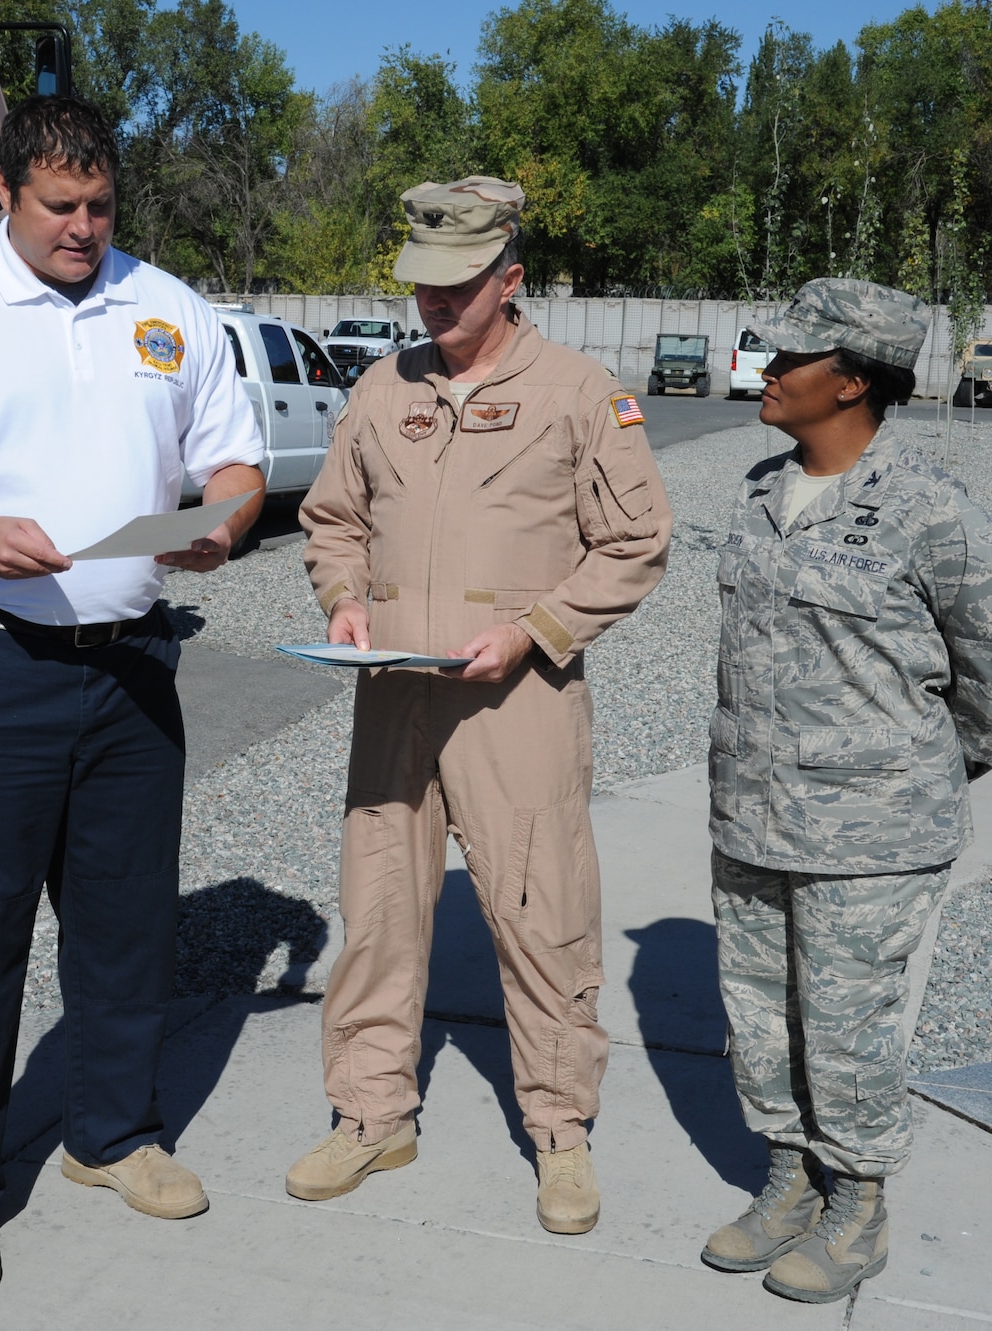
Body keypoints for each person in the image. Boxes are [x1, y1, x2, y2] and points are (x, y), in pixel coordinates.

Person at [0, 96, 266, 1297]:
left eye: (99, 206)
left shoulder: (165, 307)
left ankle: (110, 1134)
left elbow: (233, 461)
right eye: (57, 207)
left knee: (128, 923)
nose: (82, 228)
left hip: (133, 662)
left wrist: (220, 525)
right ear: (4, 198)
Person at [292, 177, 672, 1234]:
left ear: (509, 278)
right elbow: (333, 518)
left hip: (517, 699)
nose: (432, 306)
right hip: (394, 698)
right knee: (376, 910)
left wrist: (533, 631)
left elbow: (636, 542)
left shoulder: (578, 392)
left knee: (540, 913)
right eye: (420, 287)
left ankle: (558, 1131)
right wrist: (343, 599)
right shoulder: (379, 388)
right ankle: (372, 1113)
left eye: (456, 288)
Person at [698, 279, 992, 1303]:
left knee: (845, 1025)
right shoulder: (759, 490)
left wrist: (941, 755)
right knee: (758, 1016)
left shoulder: (929, 508)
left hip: (871, 830)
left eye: (787, 359)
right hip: (751, 815)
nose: (764, 371)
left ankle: (857, 1203)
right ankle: (788, 1177)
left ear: (849, 381)